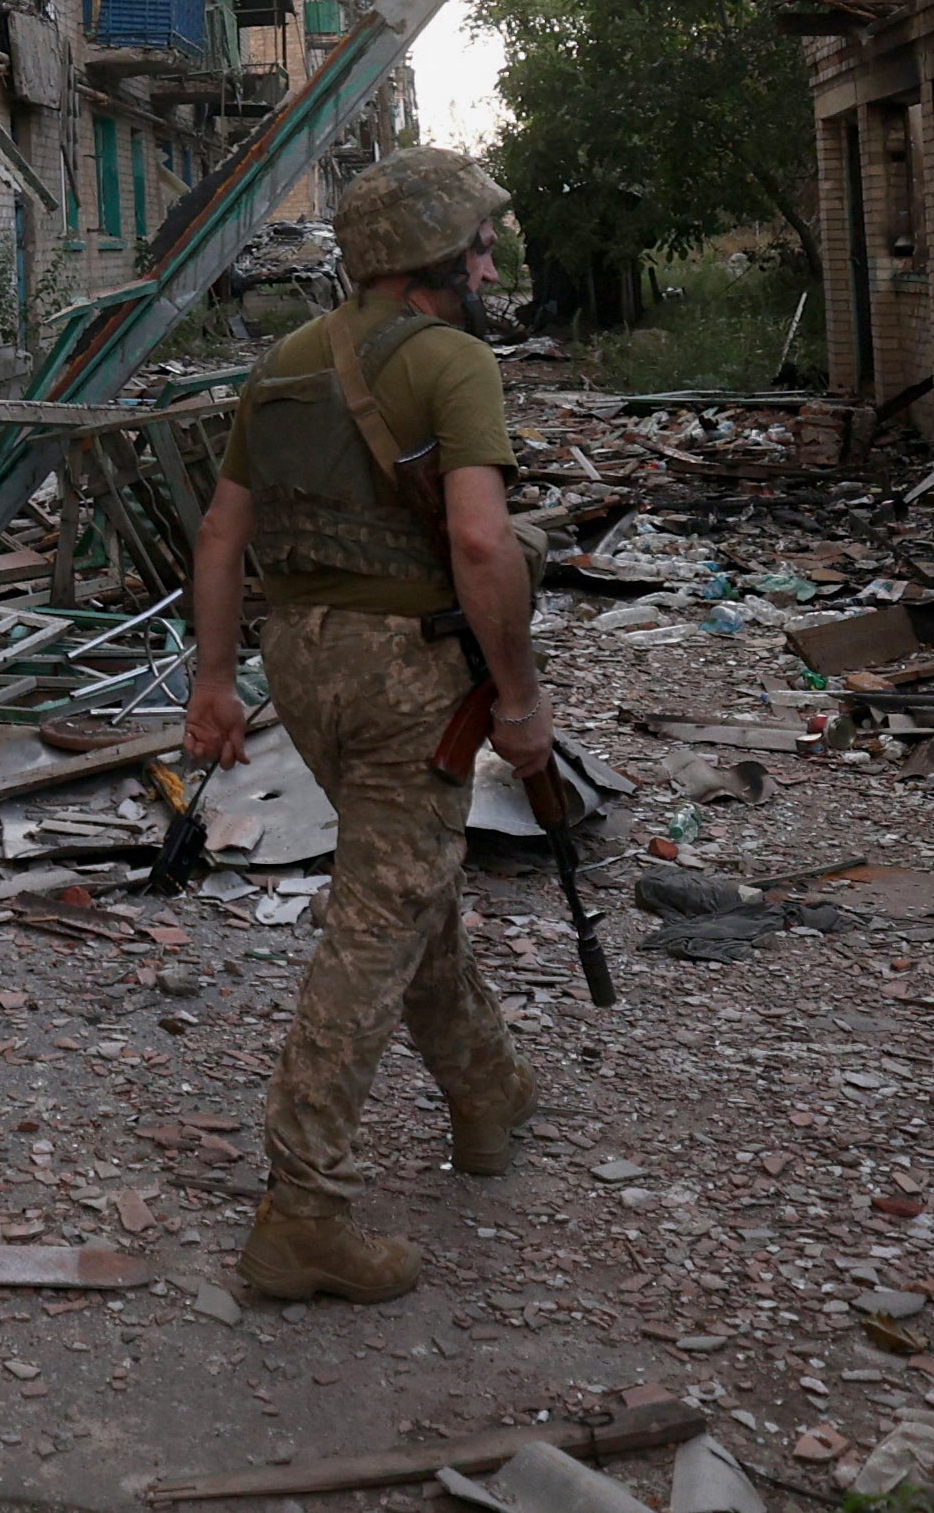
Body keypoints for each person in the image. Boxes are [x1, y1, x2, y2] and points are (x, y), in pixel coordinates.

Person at [181, 146, 548, 1304]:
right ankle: (302, 1211)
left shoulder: (286, 363)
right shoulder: (453, 363)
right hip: (407, 679)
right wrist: (524, 704)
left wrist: (213, 680)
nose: (490, 260)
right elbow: (483, 545)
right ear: (436, 257)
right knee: (375, 924)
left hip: (302, 664)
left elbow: (222, 540)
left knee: (405, 881)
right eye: (478, 243)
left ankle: (486, 1090)